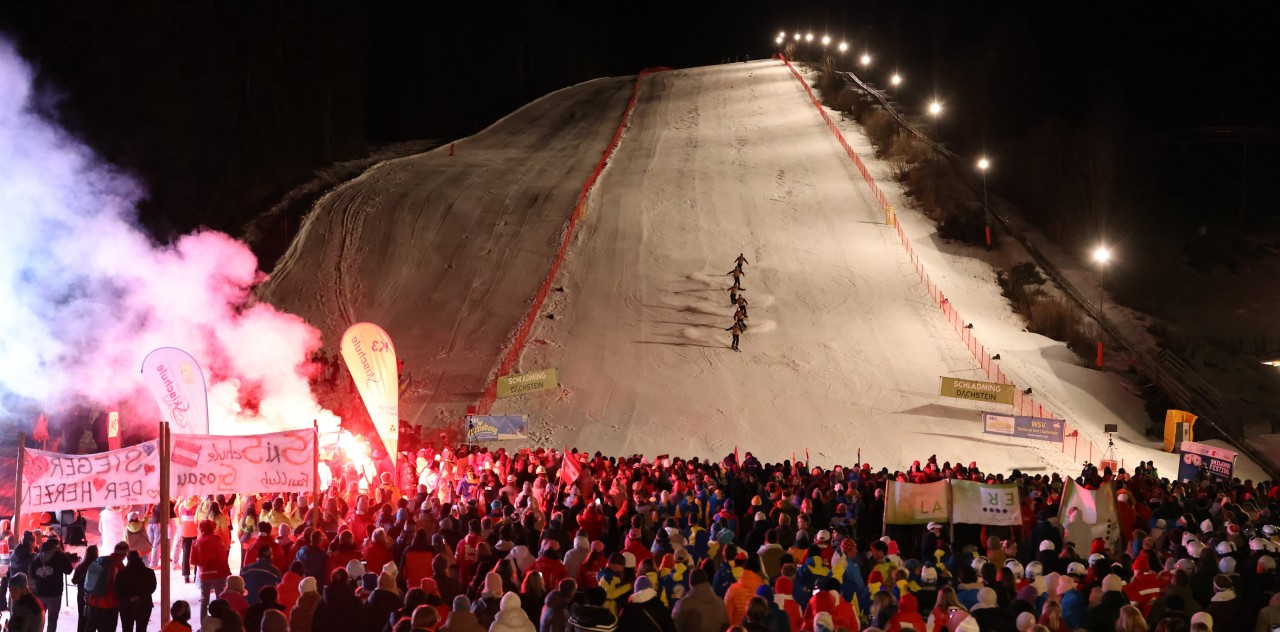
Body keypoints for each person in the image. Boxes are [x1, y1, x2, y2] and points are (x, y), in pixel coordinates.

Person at [29, 538, 74, 632]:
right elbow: (69, 570)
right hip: (55, 594)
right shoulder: (59, 556)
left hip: (40, 593)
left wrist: (41, 573)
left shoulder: (38, 556)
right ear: (56, 545)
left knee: (39, 620)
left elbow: (32, 574)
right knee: (52, 621)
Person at [191, 520, 233, 618]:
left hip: (204, 574)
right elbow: (223, 558)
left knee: (204, 600)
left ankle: (203, 622)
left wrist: (203, 563)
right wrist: (227, 572)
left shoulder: (196, 542)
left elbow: (193, 561)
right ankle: (220, 620)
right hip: (218, 573)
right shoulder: (217, 540)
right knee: (220, 598)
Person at [86, 542, 128, 632]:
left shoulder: (101, 560)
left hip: (94, 601)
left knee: (92, 626)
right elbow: (120, 587)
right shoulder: (119, 567)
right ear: (125, 554)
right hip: (109, 604)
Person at [116, 550, 157, 632]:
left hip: (127, 605)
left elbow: (117, 590)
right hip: (144, 604)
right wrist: (140, 597)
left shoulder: (121, 573)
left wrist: (129, 598)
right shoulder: (149, 572)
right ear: (139, 558)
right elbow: (152, 587)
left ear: (128, 559)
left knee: (127, 629)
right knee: (142, 629)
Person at [71, 545, 99, 632]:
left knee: (82, 617)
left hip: (81, 595)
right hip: (94, 596)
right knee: (92, 619)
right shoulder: (98, 567)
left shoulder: (80, 566)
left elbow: (74, 581)